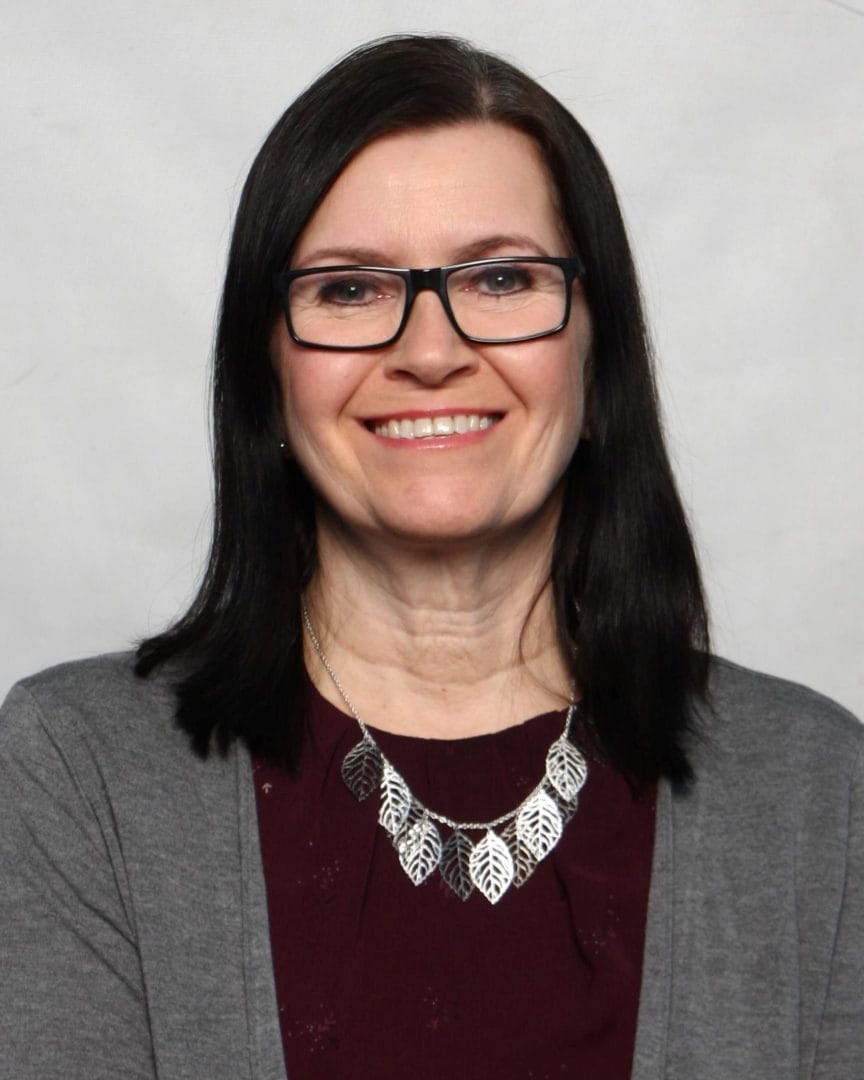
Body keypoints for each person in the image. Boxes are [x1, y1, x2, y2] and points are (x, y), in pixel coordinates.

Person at [0, 34, 860, 1080]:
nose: (431, 350)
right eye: (351, 290)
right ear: (264, 372)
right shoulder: (75, 776)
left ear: (599, 349)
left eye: (502, 277)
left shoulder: (819, 788)